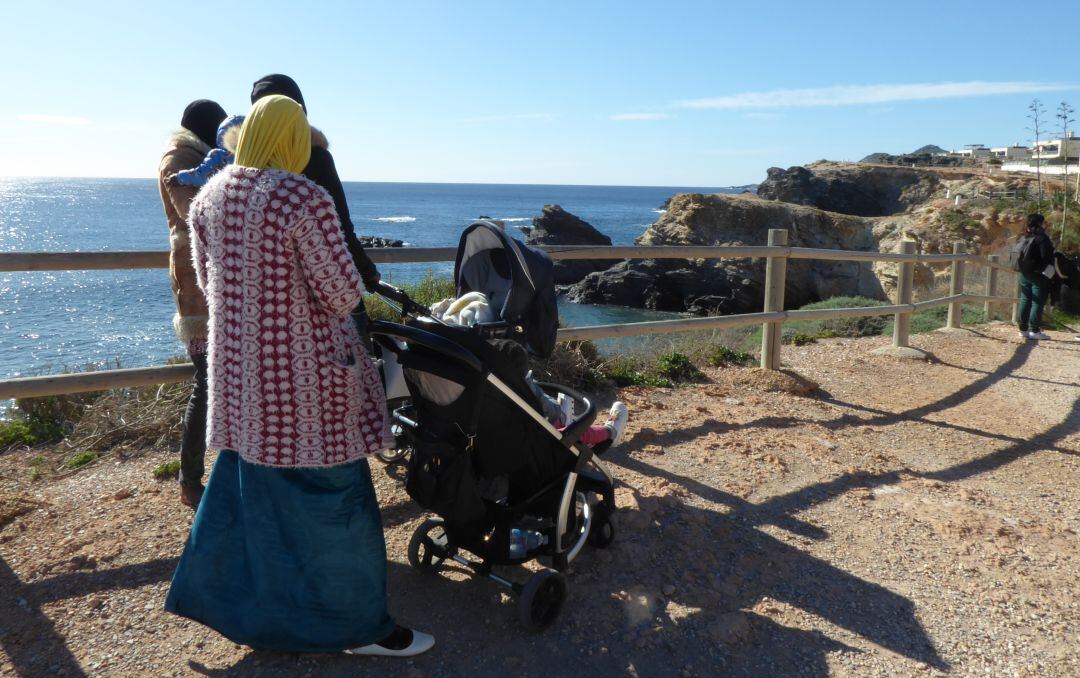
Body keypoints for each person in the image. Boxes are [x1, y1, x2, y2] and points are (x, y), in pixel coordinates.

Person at [164, 95, 434, 657]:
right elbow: (340, 293)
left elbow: (212, 287)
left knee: (253, 503)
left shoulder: (209, 197)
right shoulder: (301, 197)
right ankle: (359, 629)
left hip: (239, 380)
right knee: (335, 506)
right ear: (293, 141)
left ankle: (244, 612)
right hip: (305, 385)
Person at [249, 74, 380, 338]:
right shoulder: (315, 158)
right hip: (319, 289)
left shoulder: (243, 164)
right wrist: (367, 272)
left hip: (262, 302)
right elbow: (341, 226)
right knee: (357, 356)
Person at [157, 99, 226, 508]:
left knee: (214, 380)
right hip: (198, 282)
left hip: (206, 276)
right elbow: (194, 213)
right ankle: (190, 480)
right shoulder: (180, 158)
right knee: (206, 381)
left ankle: (204, 474)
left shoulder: (191, 155)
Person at [165, 114, 244, 187]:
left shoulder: (219, 156)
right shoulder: (253, 156)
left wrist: (179, 178)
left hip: (225, 198)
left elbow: (201, 175)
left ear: (222, 136)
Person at [1015, 213, 1055, 340]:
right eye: (1044, 222)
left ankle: (1023, 329)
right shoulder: (1042, 237)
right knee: (1037, 301)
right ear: (1040, 223)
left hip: (1025, 272)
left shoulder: (1024, 236)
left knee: (1025, 299)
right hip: (1039, 274)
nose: (1045, 224)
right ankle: (1034, 330)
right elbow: (1046, 256)